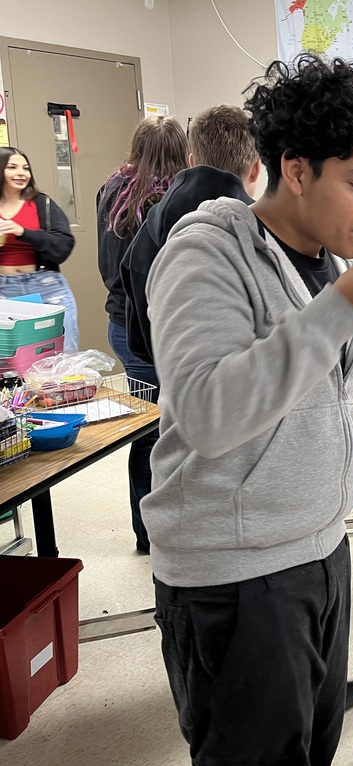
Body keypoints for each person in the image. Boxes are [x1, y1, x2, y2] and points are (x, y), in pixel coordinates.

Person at [144, 54, 353, 766]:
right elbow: (206, 412)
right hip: (235, 574)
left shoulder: (325, 263)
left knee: (315, 747)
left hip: (320, 550)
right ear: (294, 169)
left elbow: (340, 394)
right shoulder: (206, 253)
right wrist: (345, 308)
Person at [97, 115, 188, 554]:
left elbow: (108, 268)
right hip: (157, 330)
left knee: (147, 430)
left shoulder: (112, 189)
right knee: (169, 429)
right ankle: (165, 530)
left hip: (121, 325)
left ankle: (146, 532)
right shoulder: (170, 201)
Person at [121, 104, 262, 365]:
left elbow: (138, 337)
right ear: (256, 168)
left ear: (193, 161)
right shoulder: (262, 233)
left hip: (174, 382)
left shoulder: (150, 228)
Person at [0, 146, 78, 351]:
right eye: (13, 167)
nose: (21, 173)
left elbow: (63, 245)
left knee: (62, 352)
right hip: (4, 289)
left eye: (26, 168)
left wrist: (23, 232)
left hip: (46, 286)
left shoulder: (41, 203)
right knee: (11, 358)